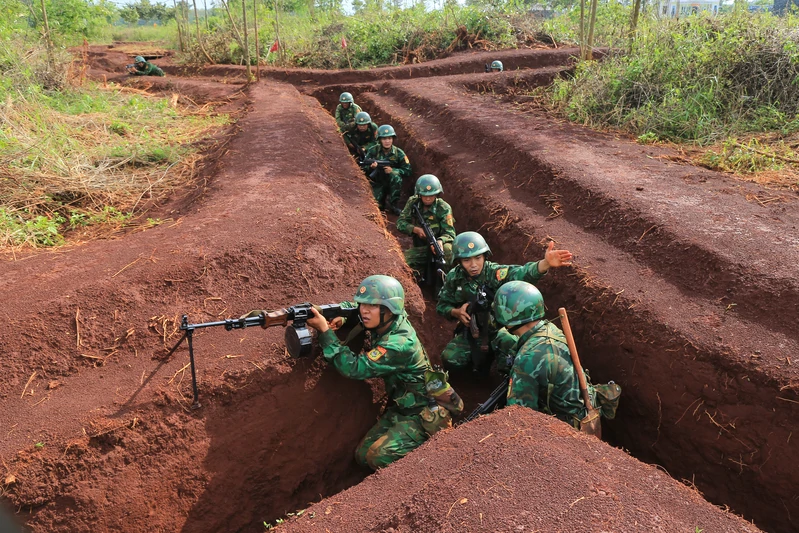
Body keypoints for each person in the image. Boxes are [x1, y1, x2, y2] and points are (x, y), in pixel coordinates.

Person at [306, 275, 460, 470]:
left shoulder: (399, 344)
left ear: (389, 309)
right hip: (401, 407)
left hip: (421, 412)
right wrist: (344, 317)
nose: (364, 310)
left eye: (372, 306)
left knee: (377, 458)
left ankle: (430, 461)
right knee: (362, 456)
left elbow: (353, 368)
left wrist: (324, 331)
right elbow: (354, 307)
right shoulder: (389, 320)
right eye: (363, 305)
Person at [436, 231, 572, 373]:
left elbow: (521, 274)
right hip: (473, 331)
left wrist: (544, 264)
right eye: (466, 260)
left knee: (514, 358)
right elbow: (441, 305)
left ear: (485, 256)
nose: (473, 265)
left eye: (478, 258)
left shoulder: (495, 273)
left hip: (502, 330)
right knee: (450, 359)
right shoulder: (454, 278)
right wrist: (455, 312)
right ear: (458, 261)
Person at [492, 280, 611, 427]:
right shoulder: (551, 329)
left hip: (567, 427)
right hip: (581, 409)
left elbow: (518, 417)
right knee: (505, 338)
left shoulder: (527, 359)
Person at [395, 174, 456, 282]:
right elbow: (400, 223)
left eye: (431, 195)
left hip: (439, 247)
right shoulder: (413, 202)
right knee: (401, 264)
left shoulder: (444, 208)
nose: (428, 198)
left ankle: (442, 284)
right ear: (419, 194)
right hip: (421, 247)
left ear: (437, 194)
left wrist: (440, 241)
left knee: (448, 250)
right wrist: (416, 229)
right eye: (424, 195)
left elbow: (450, 233)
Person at [362, 124, 411, 215]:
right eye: (384, 139)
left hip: (392, 184)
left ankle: (394, 204)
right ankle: (381, 200)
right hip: (377, 182)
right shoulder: (373, 150)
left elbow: (408, 171)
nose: (387, 141)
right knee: (377, 206)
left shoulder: (399, 153)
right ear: (380, 139)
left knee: (396, 177)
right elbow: (363, 169)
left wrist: (393, 171)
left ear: (393, 139)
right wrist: (371, 167)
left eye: (389, 138)